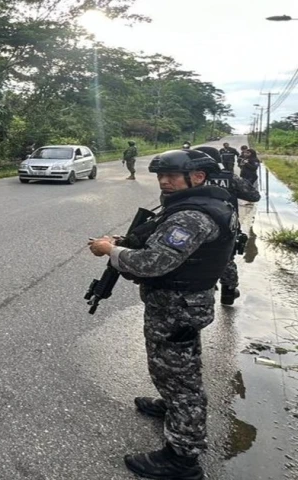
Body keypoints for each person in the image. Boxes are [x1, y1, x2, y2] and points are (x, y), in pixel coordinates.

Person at [88, 149, 237, 480]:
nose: (164, 182)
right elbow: (157, 243)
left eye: (172, 176)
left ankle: (182, 458)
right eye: (160, 176)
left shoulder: (191, 217)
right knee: (179, 368)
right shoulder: (207, 204)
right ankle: (172, 407)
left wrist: (110, 250)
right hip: (184, 304)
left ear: (196, 178)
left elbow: (153, 263)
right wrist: (125, 241)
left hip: (176, 308)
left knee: (179, 378)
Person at [195, 146, 261, 305]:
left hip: (193, 225)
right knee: (226, 258)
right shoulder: (229, 177)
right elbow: (253, 195)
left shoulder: (187, 177)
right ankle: (228, 293)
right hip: (224, 224)